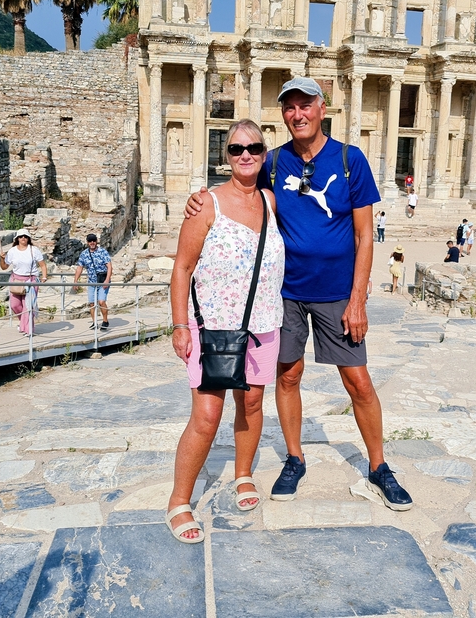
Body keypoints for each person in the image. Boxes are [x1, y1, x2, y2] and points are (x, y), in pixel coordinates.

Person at [185, 76, 412, 512]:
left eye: (305, 105)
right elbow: (242, 185)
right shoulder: (275, 161)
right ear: (284, 115)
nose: (298, 113)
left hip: (336, 293)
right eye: (289, 107)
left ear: (322, 108)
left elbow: (366, 237)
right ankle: (294, 456)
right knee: (287, 376)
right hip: (285, 293)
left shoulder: (350, 159)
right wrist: (200, 199)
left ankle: (380, 466)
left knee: (358, 380)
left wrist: (359, 298)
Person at [167, 119, 285, 544]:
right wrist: (180, 325)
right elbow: (181, 267)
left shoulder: (272, 201)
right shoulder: (206, 205)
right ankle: (179, 500)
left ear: (264, 153)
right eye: (236, 149)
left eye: (254, 147)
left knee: (252, 404)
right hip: (213, 326)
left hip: (264, 323)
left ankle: (242, 474)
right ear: (226, 156)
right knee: (206, 415)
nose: (245, 154)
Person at [0, 228, 48, 336]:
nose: (23, 238)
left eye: (25, 236)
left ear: (28, 238)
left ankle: (28, 330)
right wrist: (2, 259)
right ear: (17, 238)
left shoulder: (33, 250)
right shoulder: (12, 251)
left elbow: (42, 265)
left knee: (28, 306)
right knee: (14, 305)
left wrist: (44, 277)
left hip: (31, 279)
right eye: (21, 237)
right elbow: (4, 267)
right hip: (16, 279)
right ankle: (24, 324)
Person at [73, 233, 112, 330]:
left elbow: (109, 266)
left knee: (101, 301)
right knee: (91, 303)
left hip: (103, 281)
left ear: (96, 241)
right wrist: (75, 281)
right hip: (91, 281)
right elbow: (79, 268)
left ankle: (105, 321)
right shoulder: (84, 254)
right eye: (90, 241)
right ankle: (94, 322)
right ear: (87, 242)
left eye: (94, 240)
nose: (92, 243)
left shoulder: (103, 252)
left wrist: (107, 280)